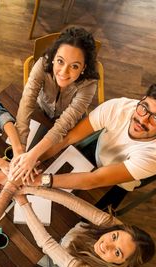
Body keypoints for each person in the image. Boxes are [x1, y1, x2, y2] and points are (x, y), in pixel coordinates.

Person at [15, 80, 156, 202]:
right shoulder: (117, 108)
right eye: (144, 108)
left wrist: (40, 180)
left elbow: (94, 181)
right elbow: (67, 138)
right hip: (98, 152)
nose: (143, 120)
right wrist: (32, 161)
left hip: (115, 181)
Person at [14, 186, 155, 267]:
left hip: (58, 258)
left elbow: (46, 243)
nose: (107, 245)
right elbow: (73, 202)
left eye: (117, 252)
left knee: (19, 243)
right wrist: (30, 189)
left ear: (122, 264)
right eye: (113, 236)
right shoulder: (120, 230)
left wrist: (22, 201)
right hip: (73, 232)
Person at [12, 26, 100, 180]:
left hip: (68, 125)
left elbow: (64, 124)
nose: (64, 72)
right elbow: (27, 101)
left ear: (84, 68)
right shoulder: (42, 64)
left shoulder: (89, 84)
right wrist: (21, 149)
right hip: (41, 110)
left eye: (74, 66)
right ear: (53, 57)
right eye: (60, 61)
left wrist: (33, 155)